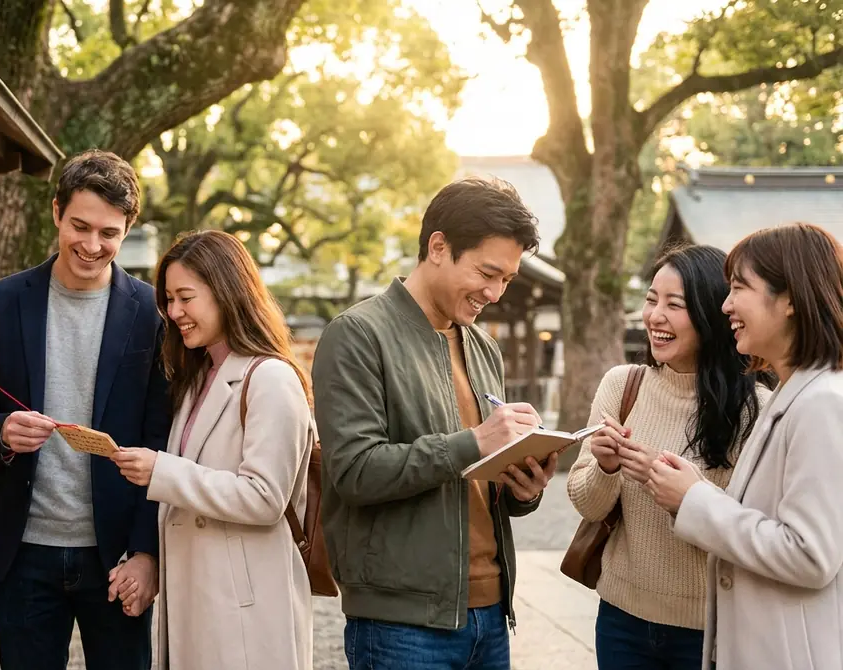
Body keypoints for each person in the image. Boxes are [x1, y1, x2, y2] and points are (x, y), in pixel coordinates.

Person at [312, 176, 556, 670]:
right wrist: (476, 441)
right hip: (399, 625)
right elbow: (355, 471)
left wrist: (524, 488)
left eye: (507, 279)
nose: (495, 292)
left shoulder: (483, 347)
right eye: (487, 273)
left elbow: (480, 482)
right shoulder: (357, 335)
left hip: (491, 615)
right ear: (438, 247)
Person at [0, 150, 171, 670]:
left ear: (127, 230)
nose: (92, 246)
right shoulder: (3, 302)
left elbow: (163, 441)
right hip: (23, 551)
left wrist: (148, 553)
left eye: (109, 233)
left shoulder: (152, 314)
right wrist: (1, 429)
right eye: (80, 226)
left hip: (117, 557)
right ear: (56, 212)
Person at [109, 229, 314, 670]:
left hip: (246, 608)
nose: (173, 312)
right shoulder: (196, 379)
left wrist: (161, 472)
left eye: (186, 297)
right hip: (197, 601)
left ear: (226, 291)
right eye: (169, 299)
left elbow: (264, 497)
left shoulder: (272, 379)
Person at [648, 223, 843, 670]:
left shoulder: (822, 404)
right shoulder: (795, 394)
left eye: (740, 288)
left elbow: (810, 554)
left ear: (790, 299)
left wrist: (694, 501)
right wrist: (698, 491)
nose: (725, 304)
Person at [566, 244, 771, 670]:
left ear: (712, 313)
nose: (655, 316)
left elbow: (754, 527)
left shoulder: (757, 408)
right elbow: (587, 504)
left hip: (709, 627)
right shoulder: (623, 386)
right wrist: (606, 468)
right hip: (621, 618)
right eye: (651, 300)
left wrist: (677, 489)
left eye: (674, 305)